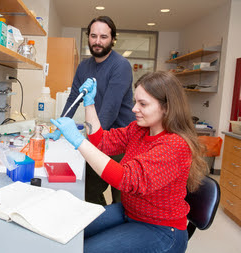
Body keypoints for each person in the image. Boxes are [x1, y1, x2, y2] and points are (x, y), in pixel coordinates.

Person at [51, 71, 208, 253]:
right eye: (135, 102)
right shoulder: (140, 129)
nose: (134, 109)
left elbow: (125, 179)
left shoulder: (175, 145)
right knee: (69, 230)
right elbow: (102, 142)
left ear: (166, 107)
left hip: (161, 229)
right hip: (130, 211)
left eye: (143, 104)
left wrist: (79, 141)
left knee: (85, 250)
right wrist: (90, 103)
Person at [46, 16, 135, 205]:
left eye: (103, 37)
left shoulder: (121, 66)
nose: (97, 41)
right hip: (99, 137)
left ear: (113, 39)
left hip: (121, 141)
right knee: (90, 191)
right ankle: (97, 226)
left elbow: (109, 112)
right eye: (94, 36)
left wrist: (86, 141)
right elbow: (73, 99)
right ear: (88, 37)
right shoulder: (84, 66)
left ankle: (117, 229)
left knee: (123, 199)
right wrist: (60, 127)